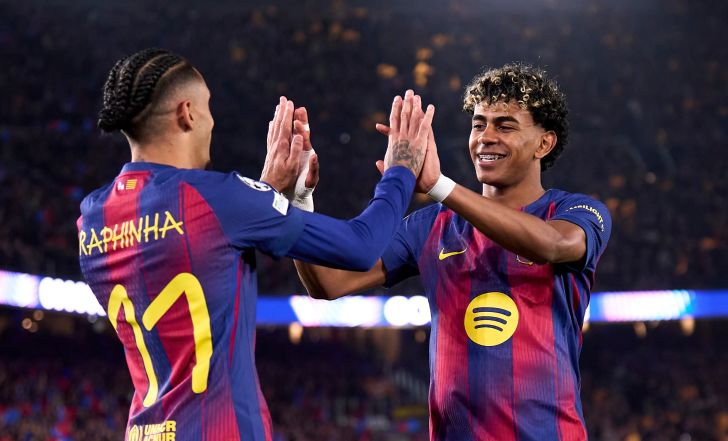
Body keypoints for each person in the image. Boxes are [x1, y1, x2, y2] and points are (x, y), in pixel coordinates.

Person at [77, 48, 434, 441]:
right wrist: (401, 169)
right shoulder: (220, 198)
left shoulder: (92, 216)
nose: (212, 121)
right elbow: (361, 247)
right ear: (187, 113)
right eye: (208, 106)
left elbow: (195, 246)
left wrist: (267, 194)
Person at [294, 64, 612, 440]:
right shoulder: (430, 226)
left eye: (505, 126)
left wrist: (440, 186)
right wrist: (297, 200)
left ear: (544, 144)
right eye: (479, 125)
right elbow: (328, 283)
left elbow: (553, 245)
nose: (486, 137)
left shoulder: (576, 212)